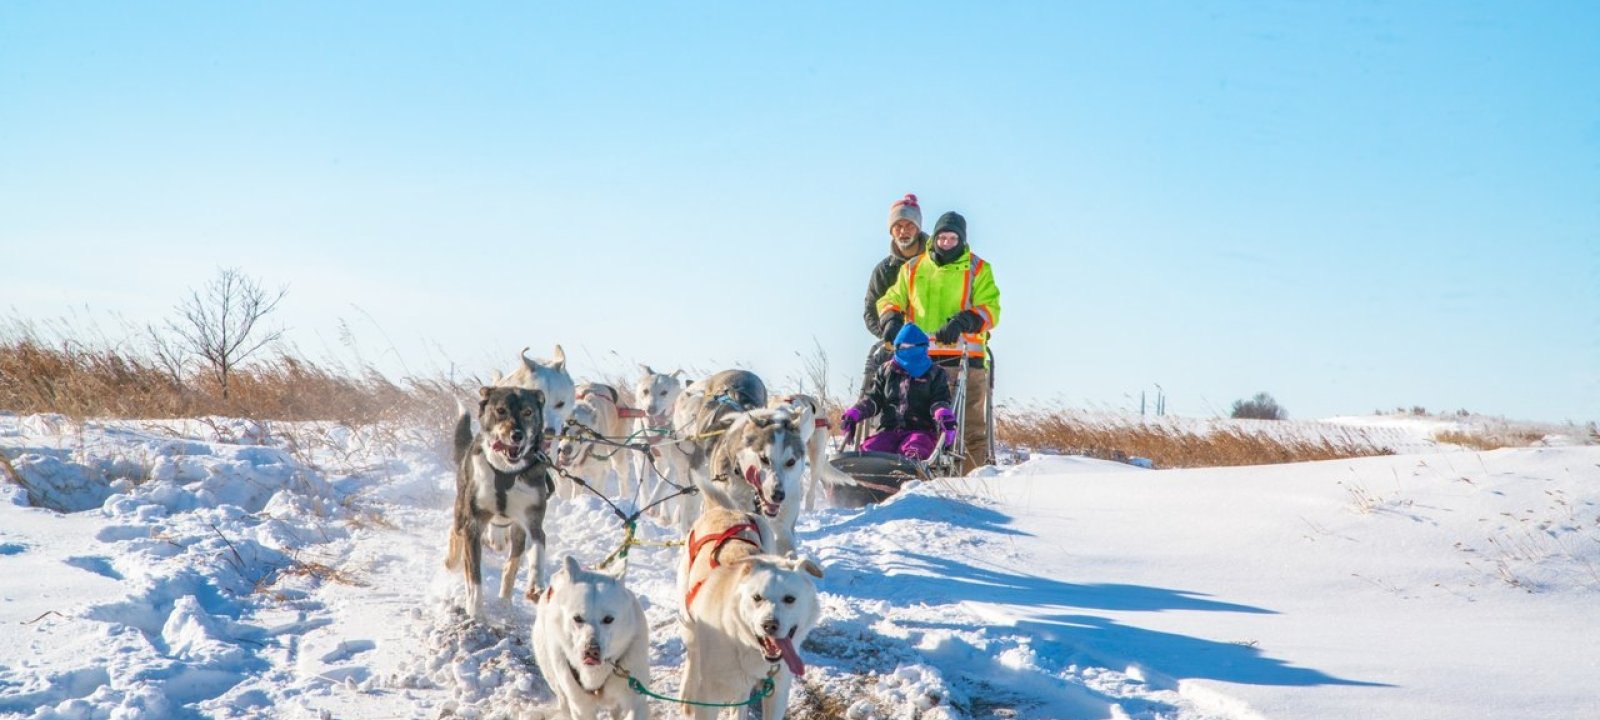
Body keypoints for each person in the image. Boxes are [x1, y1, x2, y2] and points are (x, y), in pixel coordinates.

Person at [875, 210, 1000, 473]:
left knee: (969, 430)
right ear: (934, 238)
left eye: (952, 238)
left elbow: (991, 309)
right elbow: (889, 299)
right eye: (942, 237)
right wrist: (890, 319)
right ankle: (910, 480)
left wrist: (963, 321)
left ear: (961, 240)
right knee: (912, 425)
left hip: (966, 360)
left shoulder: (978, 269)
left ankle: (970, 486)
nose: (946, 243)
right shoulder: (912, 268)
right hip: (918, 361)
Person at [838, 323, 956, 461]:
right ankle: (864, 477)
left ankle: (910, 473)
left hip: (921, 431)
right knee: (870, 452)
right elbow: (874, 398)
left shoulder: (935, 373)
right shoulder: (887, 371)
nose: (904, 351)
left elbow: (939, 400)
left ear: (921, 347)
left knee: (915, 449)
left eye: (909, 347)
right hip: (888, 430)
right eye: (901, 347)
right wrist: (856, 412)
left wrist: (943, 414)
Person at [859, 193, 928, 395]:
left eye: (909, 225)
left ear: (918, 228)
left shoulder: (935, 265)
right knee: (876, 369)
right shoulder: (883, 271)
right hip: (894, 344)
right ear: (891, 231)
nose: (903, 231)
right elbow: (871, 311)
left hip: (934, 343)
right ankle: (868, 415)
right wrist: (889, 336)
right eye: (898, 226)